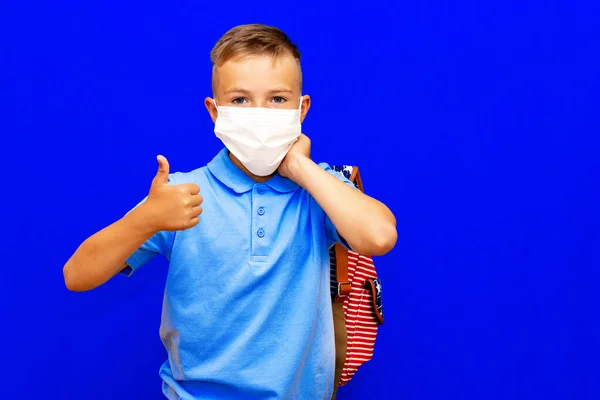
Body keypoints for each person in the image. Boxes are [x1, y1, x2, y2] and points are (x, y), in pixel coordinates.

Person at [63, 23, 397, 400]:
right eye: (239, 100)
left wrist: (302, 169)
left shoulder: (322, 192)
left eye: (277, 99)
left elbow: (380, 236)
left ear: (302, 109)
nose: (259, 113)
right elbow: (77, 275)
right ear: (214, 111)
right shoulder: (181, 194)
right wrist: (146, 219)